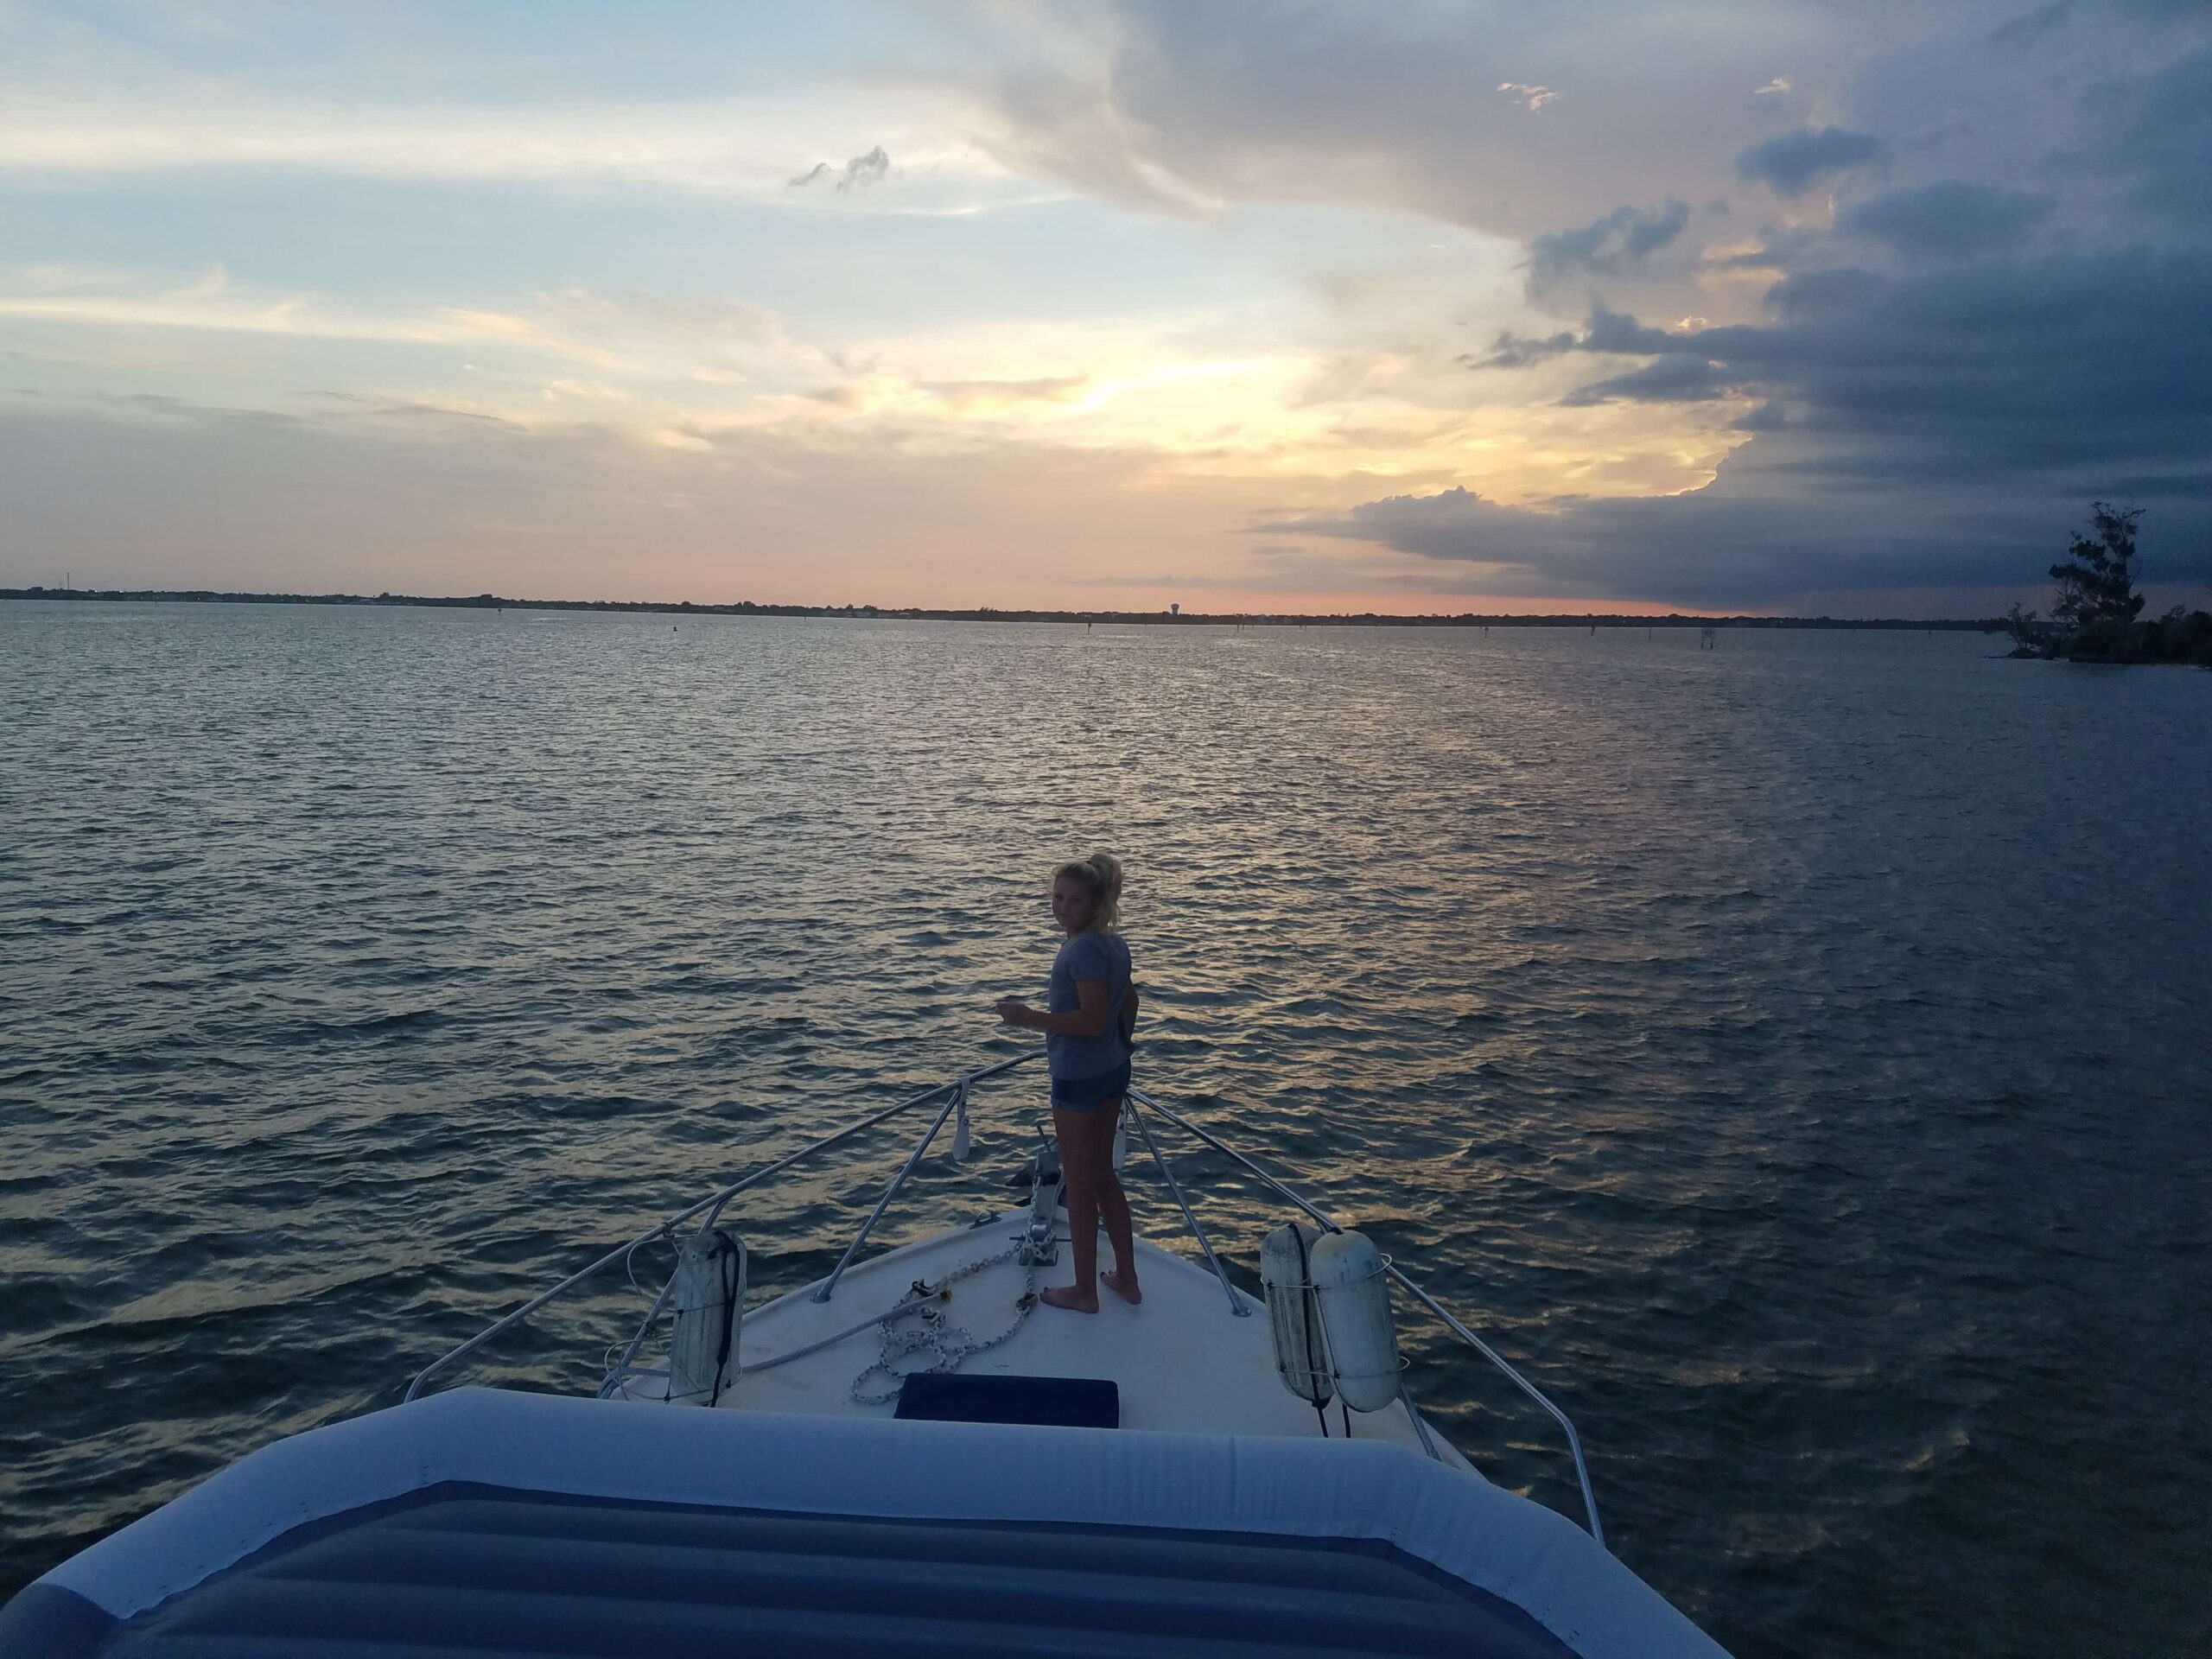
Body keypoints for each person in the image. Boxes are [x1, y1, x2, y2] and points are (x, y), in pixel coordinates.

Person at [993, 853, 1141, 1313]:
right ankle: (1127, 1279)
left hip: (1080, 1079)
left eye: (1075, 899)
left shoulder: (1081, 950)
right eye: (1057, 897)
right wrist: (1119, 1047)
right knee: (1102, 1177)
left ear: (1096, 903)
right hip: (1112, 1069)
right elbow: (1128, 1002)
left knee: (1079, 1183)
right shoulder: (1113, 945)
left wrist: (1027, 1018)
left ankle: (1084, 1291)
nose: (1063, 906)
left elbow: (1093, 1019)